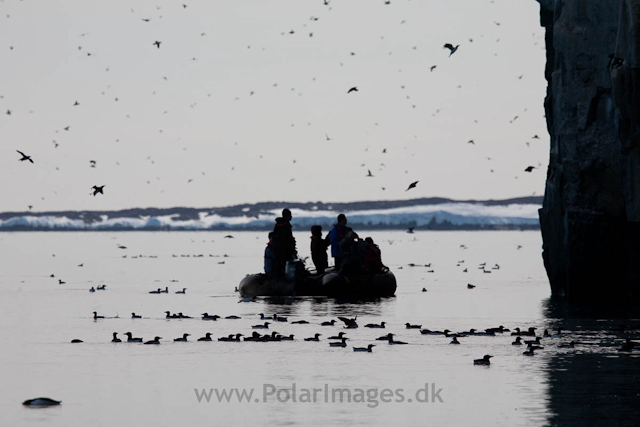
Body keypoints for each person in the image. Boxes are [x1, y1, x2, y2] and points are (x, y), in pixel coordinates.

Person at [271, 208, 297, 276]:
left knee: (279, 266)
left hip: (278, 250)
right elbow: (287, 239)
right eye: (290, 215)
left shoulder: (277, 225)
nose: (291, 217)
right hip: (284, 251)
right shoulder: (286, 226)